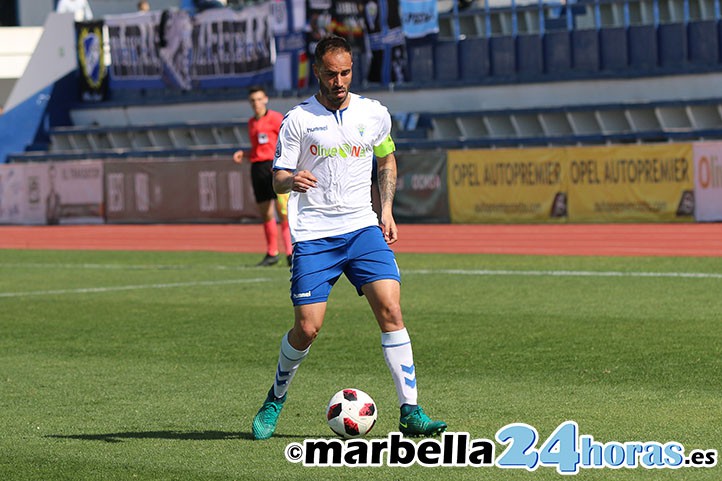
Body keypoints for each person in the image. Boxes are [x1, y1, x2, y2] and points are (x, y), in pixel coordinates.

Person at [251, 35, 447, 440]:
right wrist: (291, 179)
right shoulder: (298, 119)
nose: (339, 81)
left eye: (345, 73)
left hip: (362, 227)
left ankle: (410, 411)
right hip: (315, 235)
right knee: (307, 328)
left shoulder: (374, 113)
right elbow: (277, 177)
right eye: (330, 73)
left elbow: (386, 157)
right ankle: (276, 397)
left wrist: (387, 210)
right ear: (317, 73)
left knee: (391, 309)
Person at [233, 87, 293, 266]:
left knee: (284, 212)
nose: (256, 103)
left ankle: (290, 252)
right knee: (265, 212)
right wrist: (244, 154)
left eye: (259, 99)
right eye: (253, 100)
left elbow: (287, 141)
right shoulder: (251, 122)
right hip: (258, 167)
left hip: (275, 167)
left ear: (265, 99)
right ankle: (272, 252)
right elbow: (257, 149)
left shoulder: (276, 118)